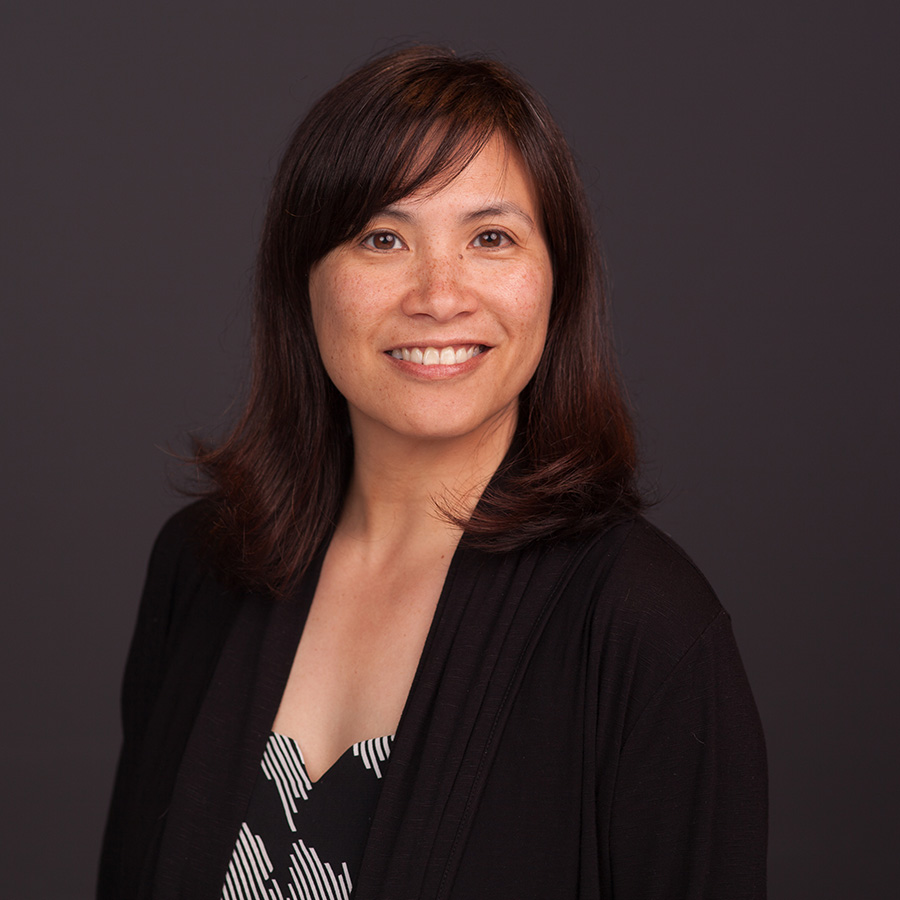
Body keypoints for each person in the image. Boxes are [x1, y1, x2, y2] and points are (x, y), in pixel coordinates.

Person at [97, 46, 767, 900]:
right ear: (303, 281)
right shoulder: (200, 567)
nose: (440, 295)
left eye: (491, 237)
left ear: (555, 281)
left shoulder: (648, 625)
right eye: (383, 237)